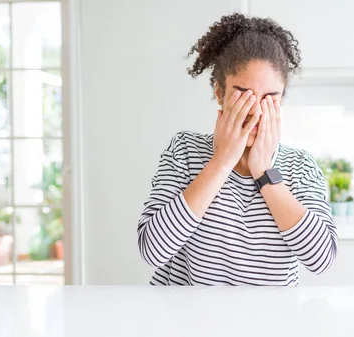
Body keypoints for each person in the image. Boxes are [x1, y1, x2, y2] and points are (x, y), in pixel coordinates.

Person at [137, 13, 337, 286]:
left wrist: (264, 171)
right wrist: (221, 162)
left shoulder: (299, 166)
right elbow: (152, 251)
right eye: (244, 95)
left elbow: (322, 259)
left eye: (268, 98)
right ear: (220, 93)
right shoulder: (185, 151)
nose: (255, 110)